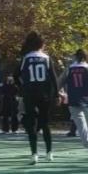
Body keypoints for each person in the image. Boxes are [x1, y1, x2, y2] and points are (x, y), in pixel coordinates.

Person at [18, 32, 61, 165]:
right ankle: (49, 153)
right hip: (44, 95)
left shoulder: (26, 58)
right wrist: (56, 95)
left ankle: (34, 154)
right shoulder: (46, 58)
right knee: (45, 123)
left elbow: (15, 75)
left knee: (31, 124)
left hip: (30, 94)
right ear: (42, 45)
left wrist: (22, 87)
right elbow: (53, 78)